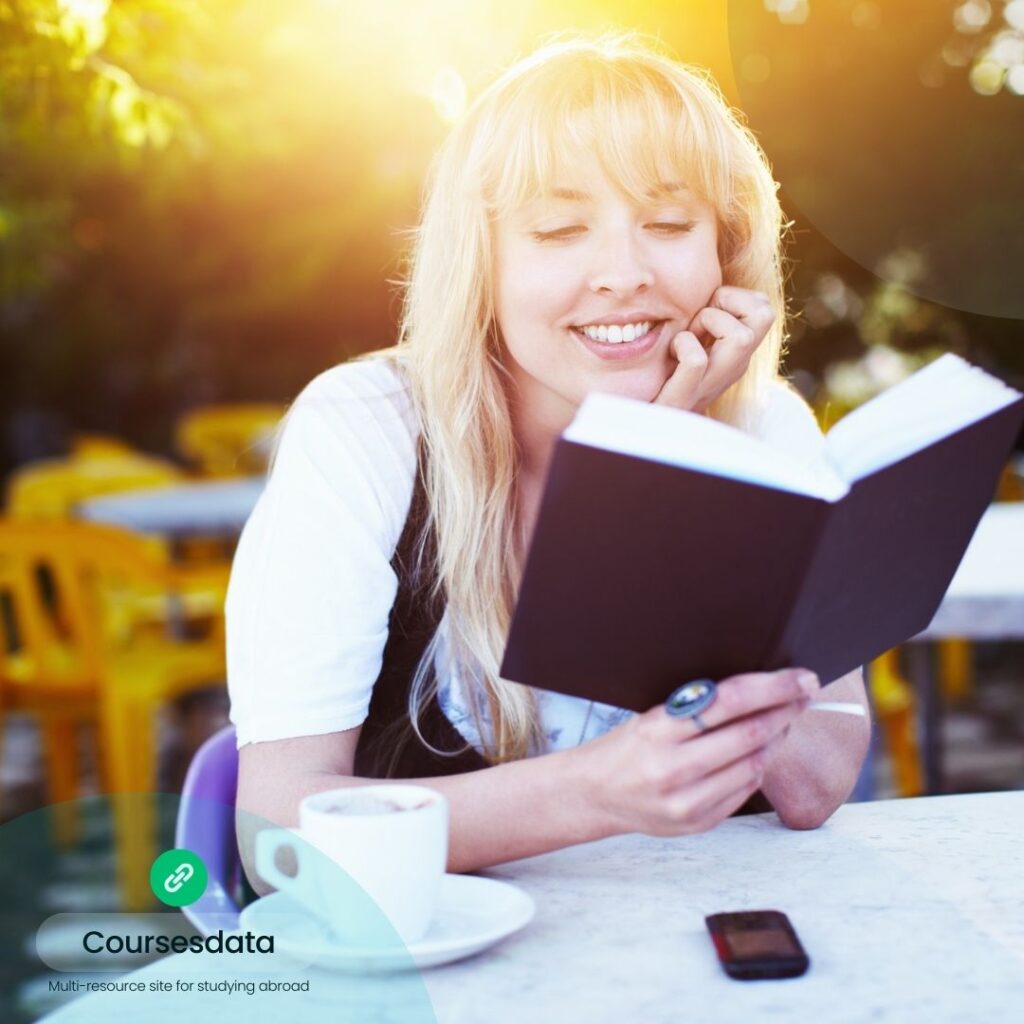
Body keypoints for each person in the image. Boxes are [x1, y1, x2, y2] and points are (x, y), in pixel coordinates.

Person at [227, 34, 871, 885]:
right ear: (482, 262)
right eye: (561, 229)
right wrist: (592, 795)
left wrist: (666, 479)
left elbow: (812, 783)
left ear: (726, 248)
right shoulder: (367, 430)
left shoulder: (763, 427)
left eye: (670, 224)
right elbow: (278, 838)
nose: (623, 273)